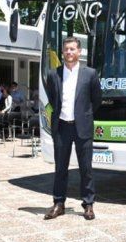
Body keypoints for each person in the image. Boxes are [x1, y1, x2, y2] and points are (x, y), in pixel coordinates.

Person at [43, 37, 102, 220]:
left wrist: (84, 114)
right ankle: (59, 203)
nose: (69, 52)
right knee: (60, 168)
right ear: (63, 52)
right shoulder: (54, 74)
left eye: (72, 49)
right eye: (66, 49)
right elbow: (53, 100)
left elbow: (97, 100)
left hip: (82, 127)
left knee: (86, 168)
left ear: (79, 52)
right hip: (61, 127)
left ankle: (88, 204)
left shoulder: (90, 74)